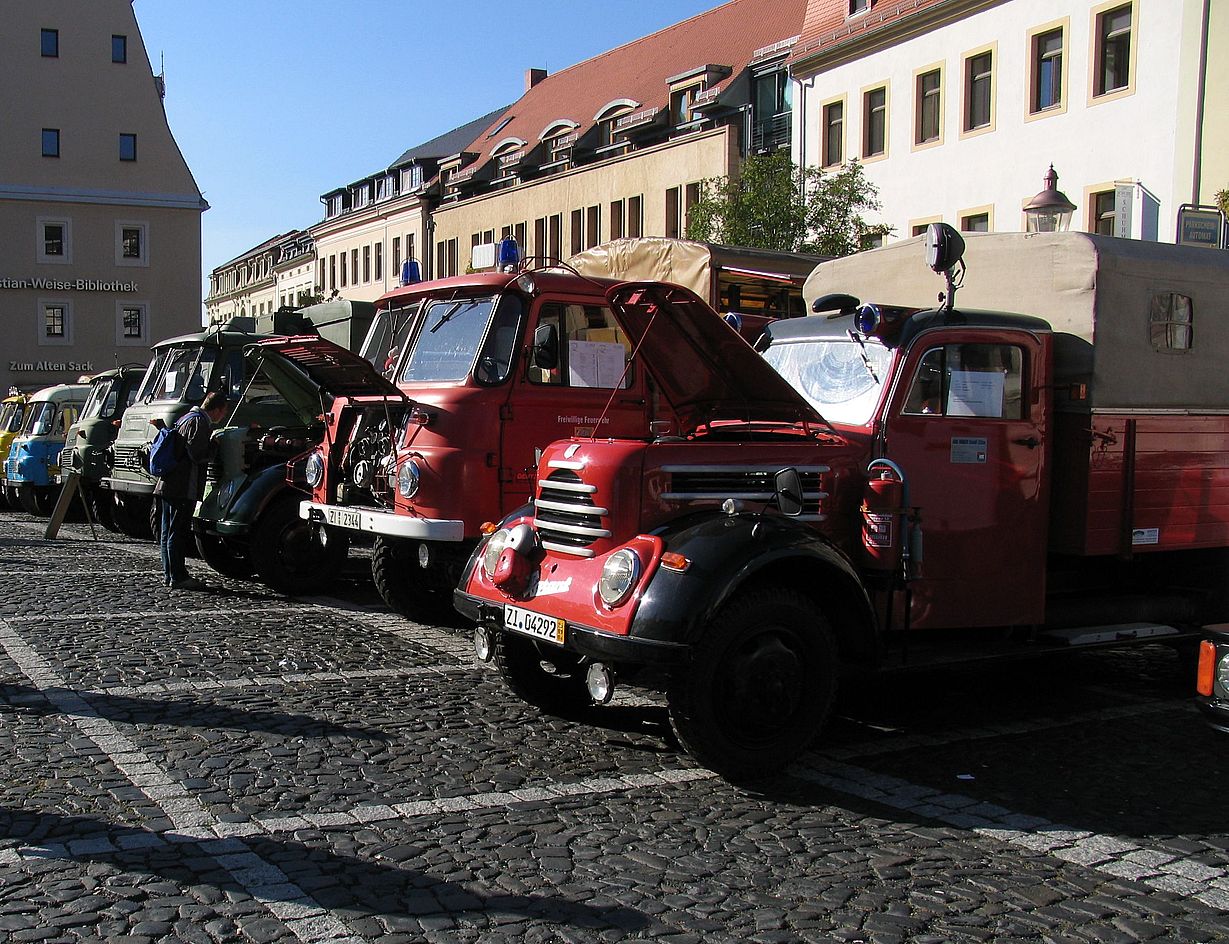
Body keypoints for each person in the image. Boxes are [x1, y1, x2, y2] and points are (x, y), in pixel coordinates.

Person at [151, 391, 229, 591]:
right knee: (177, 532)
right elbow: (198, 454)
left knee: (167, 532)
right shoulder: (199, 422)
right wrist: (214, 445)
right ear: (218, 409)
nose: (223, 417)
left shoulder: (185, 418)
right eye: (223, 412)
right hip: (183, 486)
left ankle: (170, 574)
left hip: (168, 484)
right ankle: (178, 576)